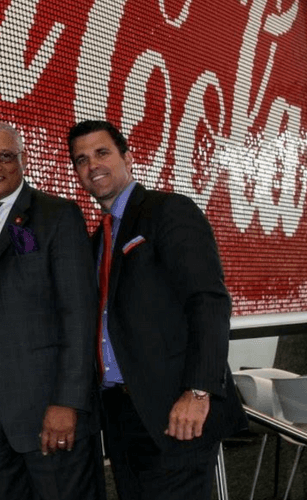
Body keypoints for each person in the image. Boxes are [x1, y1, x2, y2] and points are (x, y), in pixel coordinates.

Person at [68, 119, 248, 500]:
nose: (92, 165)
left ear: (128, 158)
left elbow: (208, 301)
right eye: (81, 159)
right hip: (121, 416)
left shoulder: (168, 210)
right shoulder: (97, 239)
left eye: (102, 153)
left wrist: (198, 392)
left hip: (176, 410)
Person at [0, 122, 105, 500]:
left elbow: (79, 316)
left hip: (49, 408)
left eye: (6, 156)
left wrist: (67, 402)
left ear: (23, 159)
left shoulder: (57, 215)